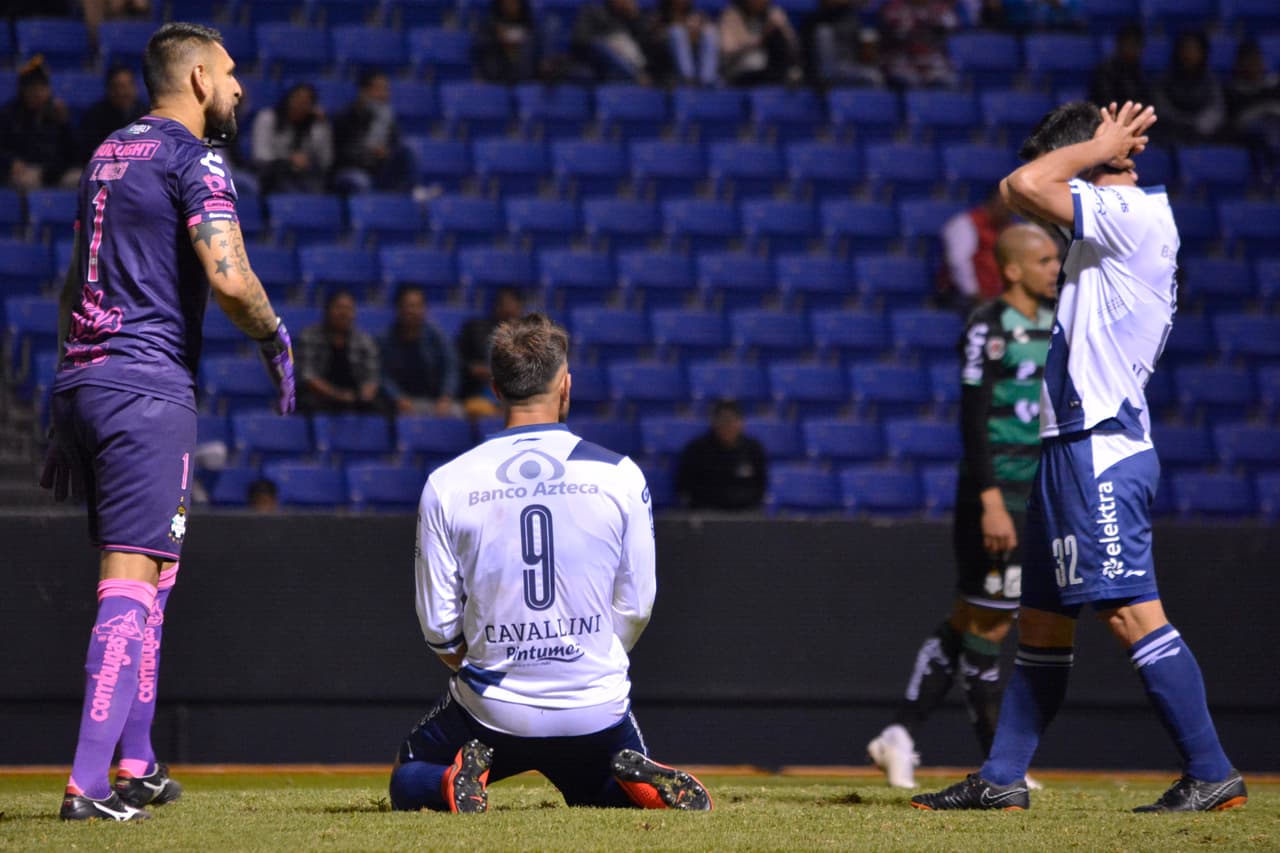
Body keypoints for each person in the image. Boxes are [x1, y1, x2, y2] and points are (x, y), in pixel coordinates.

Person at [911, 101, 1247, 813]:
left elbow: (1021, 185)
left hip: (1100, 447)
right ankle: (1002, 776)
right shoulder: (1107, 223)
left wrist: (1100, 148)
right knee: (1041, 621)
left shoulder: (1130, 214)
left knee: (1131, 614)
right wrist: (1101, 150)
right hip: (1070, 447)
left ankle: (1211, 770)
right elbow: (1028, 191)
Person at [40, 22, 295, 822]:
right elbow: (231, 279)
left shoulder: (106, 155)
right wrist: (275, 336)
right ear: (197, 80)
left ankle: (139, 760)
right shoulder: (197, 159)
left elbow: (73, 282)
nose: (240, 87)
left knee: (154, 573)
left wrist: (63, 391)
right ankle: (88, 784)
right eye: (229, 72)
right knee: (129, 578)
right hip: (145, 390)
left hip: (88, 378)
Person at [388, 313, 712, 814]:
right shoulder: (621, 474)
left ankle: (451, 782)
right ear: (566, 386)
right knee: (598, 785)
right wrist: (583, 654)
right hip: (594, 705)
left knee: (408, 774)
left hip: (496, 706)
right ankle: (627, 787)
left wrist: (498, 659)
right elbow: (637, 604)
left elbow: (438, 627)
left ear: (495, 389)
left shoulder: (448, 483)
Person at [867, 223, 1059, 789]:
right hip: (996, 492)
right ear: (1013, 269)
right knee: (989, 625)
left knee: (969, 620)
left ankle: (900, 733)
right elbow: (973, 419)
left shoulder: (1058, 324)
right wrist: (991, 502)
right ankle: (1001, 765)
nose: (1055, 269)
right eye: (1045, 261)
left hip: (1037, 489)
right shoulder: (987, 325)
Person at [296, 289, 383, 413]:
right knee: (306, 402)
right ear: (327, 311)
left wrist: (364, 394)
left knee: (380, 406)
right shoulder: (310, 337)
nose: (344, 313)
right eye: (339, 308)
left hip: (354, 396)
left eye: (348, 309)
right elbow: (308, 376)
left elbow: (372, 377)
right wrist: (339, 396)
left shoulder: (364, 341)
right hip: (321, 396)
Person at [379, 285, 460, 416]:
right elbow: (382, 374)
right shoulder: (385, 339)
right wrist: (397, 397)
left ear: (424, 309)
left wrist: (446, 396)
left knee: (457, 412)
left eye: (417, 306)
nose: (412, 311)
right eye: (408, 306)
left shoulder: (436, 336)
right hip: (400, 403)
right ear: (398, 309)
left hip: (434, 401)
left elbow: (451, 367)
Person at [0, 58, 78, 191]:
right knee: (25, 180)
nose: (37, 94)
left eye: (42, 88)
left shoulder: (56, 113)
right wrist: (10, 162)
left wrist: (65, 123)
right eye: (32, 89)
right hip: (26, 170)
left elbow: (73, 153)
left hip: (54, 171)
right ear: (23, 90)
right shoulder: (9, 114)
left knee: (82, 178)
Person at [675, 399, 768, 511]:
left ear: (741, 423)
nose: (727, 426)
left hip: (745, 512)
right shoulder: (697, 450)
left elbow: (761, 486)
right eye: (723, 421)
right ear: (714, 423)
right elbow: (685, 486)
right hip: (706, 511)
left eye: (732, 421)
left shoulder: (753, 449)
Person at [331, 70, 413, 194]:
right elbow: (339, 153)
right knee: (360, 181)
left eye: (386, 90)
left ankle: (413, 194)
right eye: (379, 89)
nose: (384, 95)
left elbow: (395, 146)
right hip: (351, 171)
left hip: (379, 171)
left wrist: (387, 153)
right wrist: (369, 152)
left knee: (407, 151)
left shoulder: (387, 118)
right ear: (363, 92)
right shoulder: (345, 116)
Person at [250, 82, 333, 194]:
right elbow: (261, 156)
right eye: (297, 99)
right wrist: (289, 161)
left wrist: (324, 125)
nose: (300, 105)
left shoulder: (316, 126)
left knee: (318, 188)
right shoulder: (268, 118)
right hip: (272, 174)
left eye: (306, 102)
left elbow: (326, 161)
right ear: (288, 99)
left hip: (306, 175)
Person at [457, 287, 525, 418]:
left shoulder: (527, 339)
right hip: (479, 397)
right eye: (505, 304)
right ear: (497, 307)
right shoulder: (475, 330)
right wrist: (473, 369)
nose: (509, 310)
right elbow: (458, 361)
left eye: (514, 305)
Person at [939, 191, 1013, 309]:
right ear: (991, 203)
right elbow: (958, 262)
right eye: (1003, 206)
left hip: (1000, 297)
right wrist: (973, 294)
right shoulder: (965, 224)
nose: (1007, 212)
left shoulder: (1009, 228)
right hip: (965, 298)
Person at [1152, 31, 1226, 145]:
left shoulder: (1211, 81)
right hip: (1170, 135)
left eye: (1194, 49)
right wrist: (1182, 124)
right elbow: (1161, 109)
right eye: (1186, 49)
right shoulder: (1164, 80)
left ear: (1203, 53)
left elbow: (1216, 109)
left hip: (1203, 135)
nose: (1189, 54)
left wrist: (1198, 125)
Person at [572, 0, 671, 84]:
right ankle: (636, 76)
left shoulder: (629, 15)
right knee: (604, 46)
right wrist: (608, 43)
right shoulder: (592, 10)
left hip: (634, 61)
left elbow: (645, 44)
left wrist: (634, 18)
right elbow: (582, 39)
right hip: (603, 60)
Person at [718, 0, 803, 86]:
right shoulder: (731, 15)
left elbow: (793, 45)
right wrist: (761, 38)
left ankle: (789, 74)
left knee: (777, 36)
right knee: (756, 59)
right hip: (740, 67)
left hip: (768, 65)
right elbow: (728, 50)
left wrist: (782, 28)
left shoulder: (772, 13)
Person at [878, 0, 959, 89]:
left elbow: (948, 27)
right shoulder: (896, 8)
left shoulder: (939, 9)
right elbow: (896, 34)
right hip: (904, 57)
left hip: (931, 58)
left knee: (949, 78)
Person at [78, 66, 148, 166]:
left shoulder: (146, 115)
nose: (121, 92)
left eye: (125, 86)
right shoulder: (94, 116)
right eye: (116, 87)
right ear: (108, 89)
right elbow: (88, 151)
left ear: (134, 88)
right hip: (103, 167)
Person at [474, 0, 544, 84]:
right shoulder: (489, 25)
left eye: (514, 2)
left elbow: (538, 49)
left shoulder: (530, 25)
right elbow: (479, 50)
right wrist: (498, 40)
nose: (510, 5)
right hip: (496, 75)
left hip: (525, 76)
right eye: (507, 2)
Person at [1087, 22, 1152, 109]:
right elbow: (1105, 104)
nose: (1133, 50)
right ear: (1119, 44)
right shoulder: (1105, 71)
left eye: (1137, 45)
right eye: (1129, 44)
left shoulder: (1138, 71)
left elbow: (1146, 101)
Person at [659, 0, 720, 87]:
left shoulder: (695, 13)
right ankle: (688, 78)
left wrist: (695, 31)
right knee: (677, 32)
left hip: (695, 53)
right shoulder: (662, 13)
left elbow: (703, 25)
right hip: (668, 57)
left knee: (710, 32)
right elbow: (657, 35)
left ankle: (707, 79)